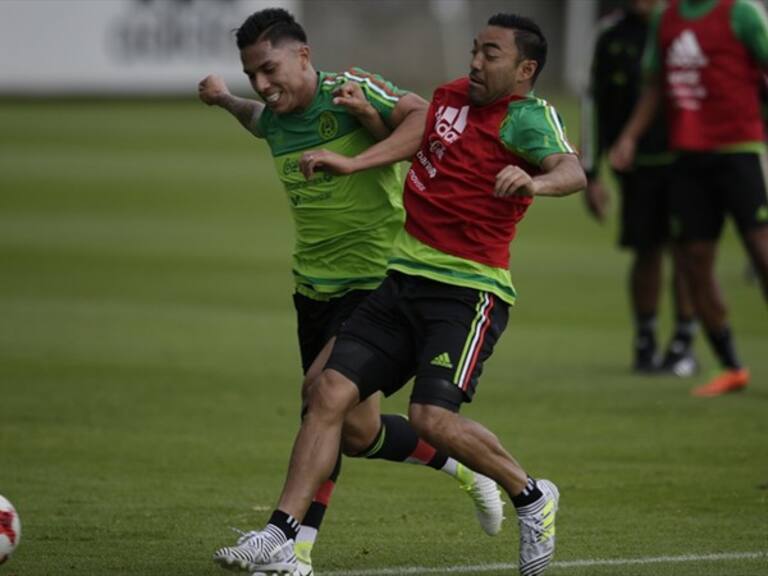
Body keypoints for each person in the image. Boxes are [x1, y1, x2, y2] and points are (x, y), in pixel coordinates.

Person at [212, 13, 585, 576]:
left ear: (525, 69)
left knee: (432, 418)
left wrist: (533, 180)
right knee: (328, 393)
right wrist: (366, 119)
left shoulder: (528, 120)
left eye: (491, 54)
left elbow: (573, 170)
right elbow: (418, 141)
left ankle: (531, 495)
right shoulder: (451, 96)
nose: (475, 62)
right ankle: (280, 536)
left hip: (467, 291)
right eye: (475, 50)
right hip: (402, 279)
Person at [610, 0, 768, 396]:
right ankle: (731, 366)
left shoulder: (741, 12)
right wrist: (629, 136)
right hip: (687, 157)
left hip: (739, 150)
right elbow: (654, 85)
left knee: (761, 250)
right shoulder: (667, 17)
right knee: (694, 261)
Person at [582, 0, 698, 375]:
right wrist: (591, 172)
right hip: (635, 166)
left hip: (690, 161)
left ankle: (684, 341)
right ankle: (645, 338)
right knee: (646, 251)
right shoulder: (611, 34)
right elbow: (593, 102)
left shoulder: (687, 25)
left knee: (688, 252)